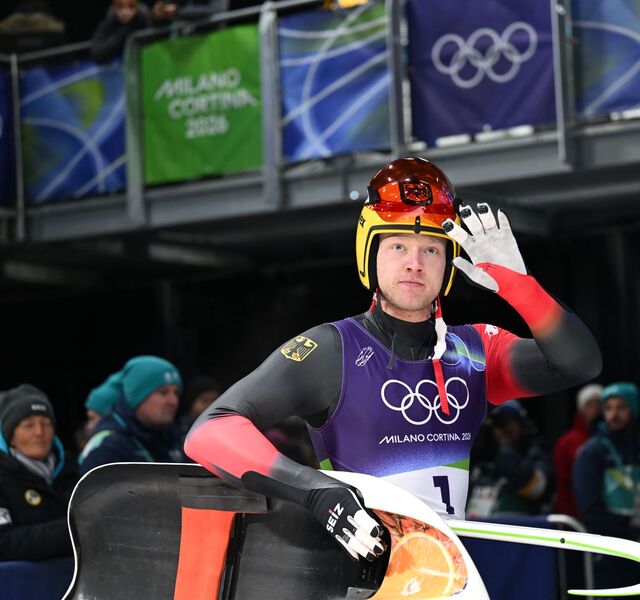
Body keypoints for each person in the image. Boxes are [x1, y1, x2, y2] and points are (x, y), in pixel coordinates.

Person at [185, 156, 602, 562]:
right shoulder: (332, 349)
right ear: (371, 255)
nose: (414, 264)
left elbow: (578, 364)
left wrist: (520, 288)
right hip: (356, 583)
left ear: (449, 265)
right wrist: (315, 491)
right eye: (398, 245)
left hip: (446, 582)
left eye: (431, 251)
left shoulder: (476, 351)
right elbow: (210, 431)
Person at [572, 382, 640, 590]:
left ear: (633, 409)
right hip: (612, 553)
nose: (614, 414)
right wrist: (632, 536)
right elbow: (590, 509)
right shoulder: (591, 454)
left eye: (621, 407)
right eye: (608, 407)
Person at [0, 384, 76, 561]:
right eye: (28, 425)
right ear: (10, 436)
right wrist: (73, 530)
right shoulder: (3, 478)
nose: (39, 432)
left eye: (46, 423)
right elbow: (4, 543)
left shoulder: (72, 473)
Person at [79, 355, 185, 474]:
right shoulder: (108, 451)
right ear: (136, 397)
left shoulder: (180, 442)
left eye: (176, 393)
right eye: (163, 392)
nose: (173, 401)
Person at [466, 400, 554, 517]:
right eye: (497, 424)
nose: (502, 429)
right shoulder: (482, 460)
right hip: (481, 528)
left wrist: (506, 452)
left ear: (521, 424)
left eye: (506, 422)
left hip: (523, 528)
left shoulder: (536, 454)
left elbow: (537, 490)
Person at [553, 382, 602, 517]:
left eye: (599, 404)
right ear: (581, 409)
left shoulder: (608, 441)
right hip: (575, 513)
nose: (596, 409)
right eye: (590, 405)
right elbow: (562, 483)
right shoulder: (567, 442)